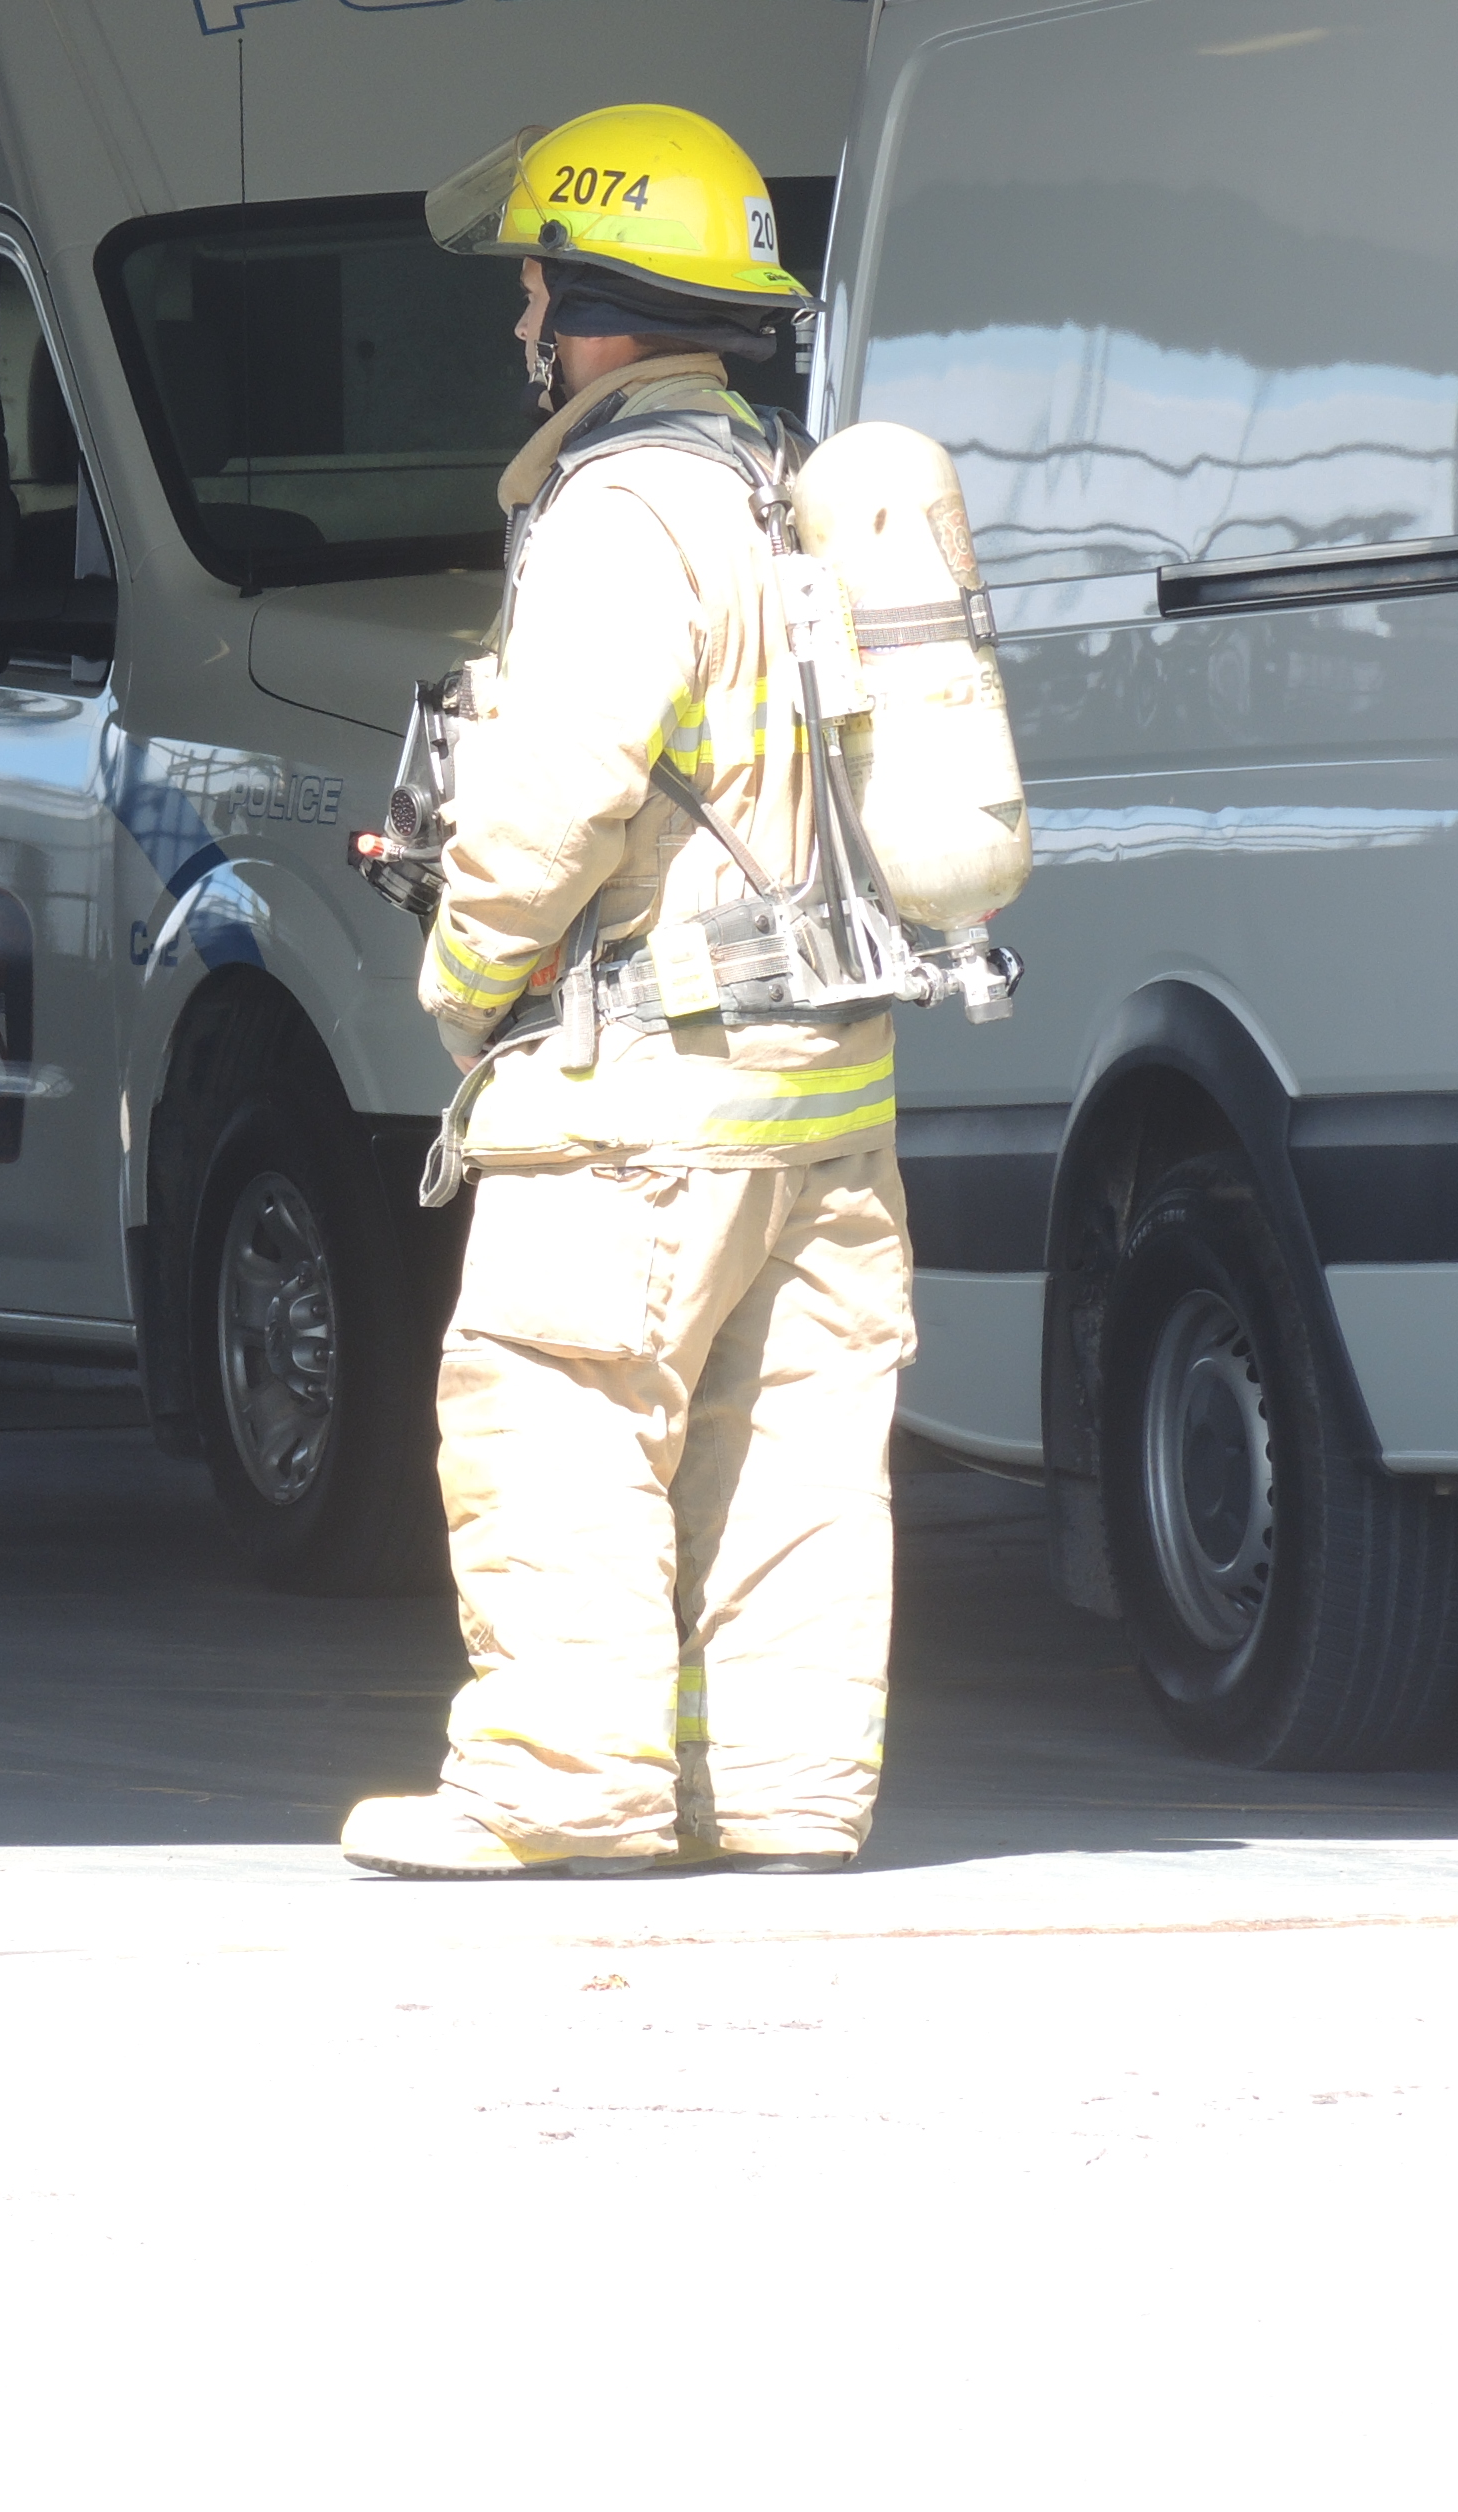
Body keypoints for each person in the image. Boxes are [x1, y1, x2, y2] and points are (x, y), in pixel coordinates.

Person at [340, 103, 912, 1882]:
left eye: (532, 288)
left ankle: (563, 1786)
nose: (521, 320)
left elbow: (562, 792)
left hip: (636, 1104)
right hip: (823, 1100)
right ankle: (787, 1794)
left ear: (589, 303)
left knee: (562, 1411)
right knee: (792, 1458)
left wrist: (464, 973)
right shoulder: (787, 492)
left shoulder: (622, 510)